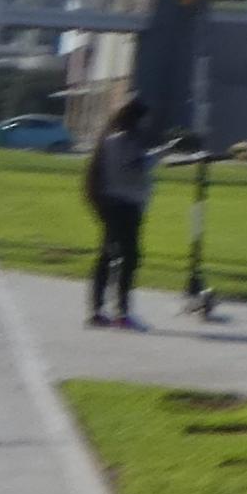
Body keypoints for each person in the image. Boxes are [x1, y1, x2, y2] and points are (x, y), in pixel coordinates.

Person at [83, 99, 156, 328]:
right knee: (127, 257)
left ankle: (99, 309)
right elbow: (132, 167)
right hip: (123, 204)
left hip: (119, 203)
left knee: (109, 256)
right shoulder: (122, 140)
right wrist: (158, 156)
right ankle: (121, 311)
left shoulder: (115, 139)